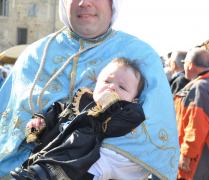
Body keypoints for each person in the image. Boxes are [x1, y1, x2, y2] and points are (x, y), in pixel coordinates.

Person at [0, 0, 179, 179]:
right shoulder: (34, 55)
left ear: (113, 4)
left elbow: (152, 143)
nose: (85, 3)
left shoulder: (143, 57)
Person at [11, 58, 148, 180]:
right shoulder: (80, 100)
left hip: (76, 164)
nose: (111, 87)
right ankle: (35, 172)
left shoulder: (125, 112)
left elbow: (126, 122)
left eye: (122, 87)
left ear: (133, 99)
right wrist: (39, 122)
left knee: (83, 135)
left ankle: (46, 172)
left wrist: (113, 106)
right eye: (107, 81)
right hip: (45, 152)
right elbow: (57, 111)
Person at [175, 48, 209, 179]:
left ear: (189, 65)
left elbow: (196, 127)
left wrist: (186, 155)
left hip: (201, 162)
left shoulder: (200, 88)